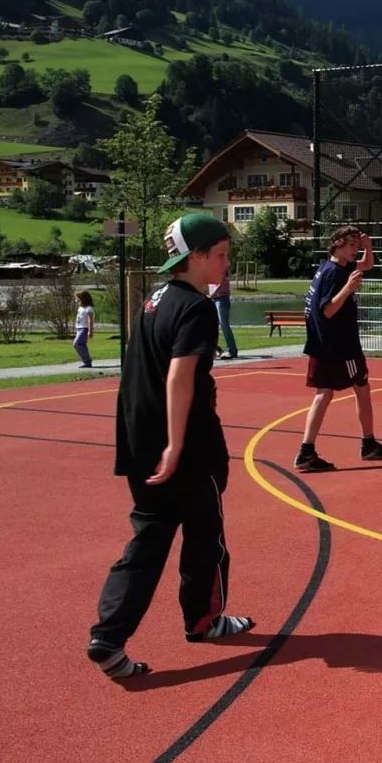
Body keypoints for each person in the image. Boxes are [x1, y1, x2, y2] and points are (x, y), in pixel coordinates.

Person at [87, 213, 254, 681]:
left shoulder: (151, 302)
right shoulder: (196, 308)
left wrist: (151, 444)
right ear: (195, 256)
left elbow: (137, 373)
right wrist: (176, 445)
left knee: (147, 541)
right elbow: (180, 376)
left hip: (141, 442)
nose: (226, 263)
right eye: (220, 254)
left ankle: (108, 636)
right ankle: (205, 620)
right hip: (187, 447)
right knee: (206, 537)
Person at [294, 225, 382, 473]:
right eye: (352, 246)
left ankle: (308, 450)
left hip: (324, 344)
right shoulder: (334, 275)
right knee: (361, 388)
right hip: (339, 346)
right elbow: (327, 310)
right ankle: (367, 444)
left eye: (357, 246)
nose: (356, 251)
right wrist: (348, 289)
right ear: (337, 243)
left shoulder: (334, 267)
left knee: (325, 393)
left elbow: (367, 265)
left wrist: (368, 248)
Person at [209, 274, 237, 360]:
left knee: (224, 325)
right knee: (211, 325)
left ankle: (232, 351)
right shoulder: (211, 271)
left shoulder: (221, 270)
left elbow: (220, 284)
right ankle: (215, 349)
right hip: (213, 299)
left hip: (221, 299)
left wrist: (211, 295)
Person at [73, 290, 96, 368]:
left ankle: (87, 361)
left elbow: (90, 320)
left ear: (83, 299)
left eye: (77, 298)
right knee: (81, 344)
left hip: (84, 328)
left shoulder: (89, 309)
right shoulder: (80, 308)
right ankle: (87, 362)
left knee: (77, 343)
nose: (76, 300)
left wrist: (90, 331)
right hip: (79, 328)